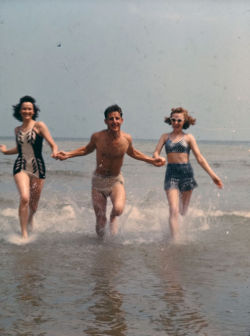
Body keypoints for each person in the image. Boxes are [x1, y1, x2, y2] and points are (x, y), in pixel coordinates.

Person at [56, 104, 166, 238]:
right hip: (98, 182)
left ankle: (113, 217)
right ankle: (101, 248)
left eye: (117, 118)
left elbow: (133, 153)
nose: (114, 121)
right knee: (101, 222)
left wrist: (151, 160)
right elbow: (86, 149)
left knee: (118, 209)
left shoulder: (126, 139)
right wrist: (68, 154)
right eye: (111, 119)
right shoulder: (98, 137)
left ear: (122, 120)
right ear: (106, 121)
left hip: (115, 180)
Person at [153, 107, 223, 240]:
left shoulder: (188, 137)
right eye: (173, 120)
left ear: (184, 121)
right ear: (170, 120)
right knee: (173, 209)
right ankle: (175, 241)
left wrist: (213, 176)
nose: (176, 122)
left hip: (186, 173)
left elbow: (200, 158)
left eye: (179, 120)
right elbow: (156, 152)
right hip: (171, 173)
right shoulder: (165, 137)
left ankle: (179, 230)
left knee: (182, 212)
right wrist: (157, 157)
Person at [0, 96, 58, 239]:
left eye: (29, 109)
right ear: (20, 111)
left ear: (33, 111)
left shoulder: (39, 126)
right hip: (21, 166)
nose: (27, 111)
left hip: (38, 167)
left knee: (33, 206)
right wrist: (5, 151)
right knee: (25, 197)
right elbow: (20, 149)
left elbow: (52, 144)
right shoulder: (17, 129)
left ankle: (30, 218)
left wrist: (55, 151)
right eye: (24, 108)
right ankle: (24, 233)